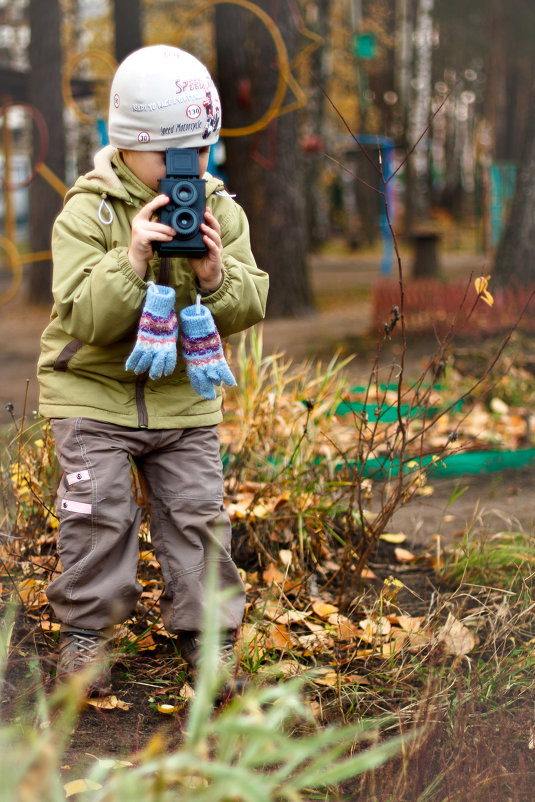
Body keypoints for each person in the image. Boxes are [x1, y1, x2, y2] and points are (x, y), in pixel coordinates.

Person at [37, 45, 269, 697]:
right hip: (93, 396)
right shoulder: (90, 211)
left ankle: (210, 645)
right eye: (171, 154)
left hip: (182, 400)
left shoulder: (219, 211)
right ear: (128, 144)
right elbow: (82, 316)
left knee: (198, 517)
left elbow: (250, 301)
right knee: (97, 514)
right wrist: (132, 260)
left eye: (199, 152)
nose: (186, 168)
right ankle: (86, 639)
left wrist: (215, 275)